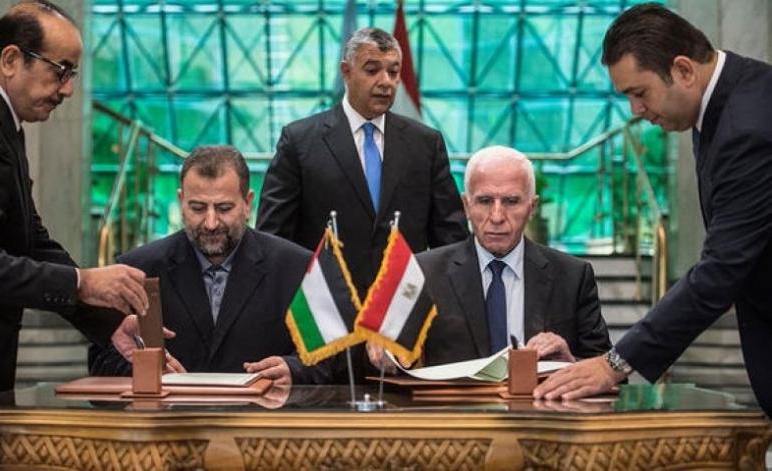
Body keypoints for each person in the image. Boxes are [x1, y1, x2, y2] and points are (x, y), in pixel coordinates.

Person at [0, 1, 150, 467]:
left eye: (73, 74)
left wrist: (108, 321)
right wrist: (82, 282)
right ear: (12, 59)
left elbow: (31, 240)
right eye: (61, 71)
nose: (68, 89)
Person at [535, 3, 772, 418]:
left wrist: (613, 364)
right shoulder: (722, 104)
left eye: (639, 93)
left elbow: (720, 270)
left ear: (683, 70)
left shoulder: (747, 127)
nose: (636, 111)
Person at [90, 146, 332, 385]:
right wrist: (145, 367)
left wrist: (294, 369)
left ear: (247, 203)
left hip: (263, 410)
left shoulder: (299, 268)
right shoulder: (136, 269)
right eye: (197, 208)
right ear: (181, 201)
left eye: (224, 208)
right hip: (171, 411)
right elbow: (101, 363)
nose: (211, 223)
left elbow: (330, 357)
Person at [256, 27, 468, 300]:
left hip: (404, 307)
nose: (386, 82)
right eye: (372, 70)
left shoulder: (426, 143)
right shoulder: (299, 141)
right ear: (346, 71)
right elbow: (272, 239)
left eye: (393, 72)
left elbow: (451, 239)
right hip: (326, 308)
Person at [368, 146, 611, 371]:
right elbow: (388, 353)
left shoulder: (573, 276)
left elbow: (609, 369)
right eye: (485, 201)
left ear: (532, 207)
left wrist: (570, 363)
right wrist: (385, 352)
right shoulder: (422, 272)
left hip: (538, 404)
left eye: (511, 201)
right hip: (452, 405)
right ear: (466, 206)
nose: (497, 216)